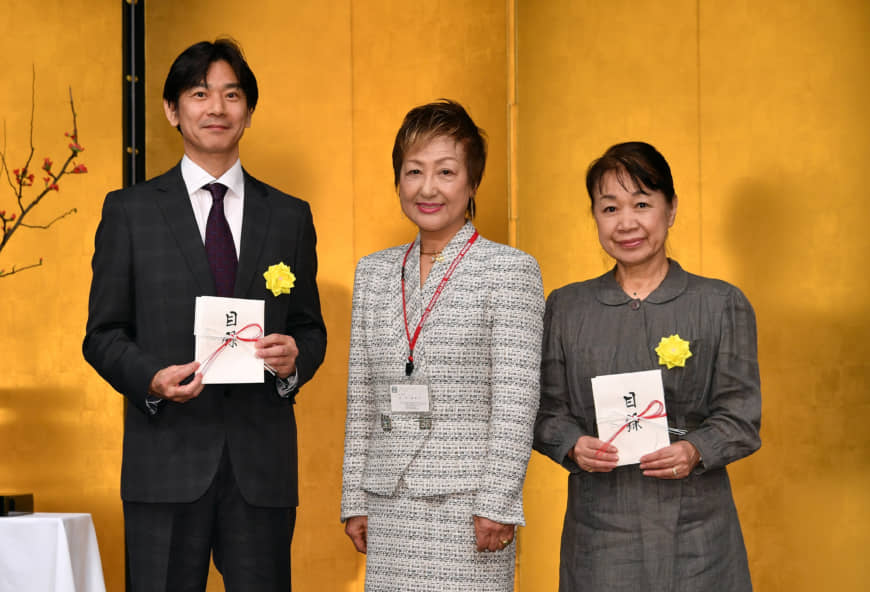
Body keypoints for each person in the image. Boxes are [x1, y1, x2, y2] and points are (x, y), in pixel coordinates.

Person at [83, 38, 326, 591]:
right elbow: (103, 334)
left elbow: (310, 328)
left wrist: (294, 360)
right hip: (164, 461)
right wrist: (149, 377)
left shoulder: (288, 216)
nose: (216, 108)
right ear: (173, 110)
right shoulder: (130, 212)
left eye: (231, 94)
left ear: (247, 111)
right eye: (199, 93)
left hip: (259, 468)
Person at [533, 141, 761, 591]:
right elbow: (543, 411)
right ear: (595, 217)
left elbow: (741, 417)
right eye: (610, 207)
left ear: (671, 209)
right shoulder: (566, 307)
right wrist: (574, 445)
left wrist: (695, 450)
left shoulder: (719, 304)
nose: (626, 222)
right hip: (600, 534)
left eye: (642, 203)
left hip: (698, 536)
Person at [340, 99, 544, 591]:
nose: (427, 188)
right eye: (413, 171)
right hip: (388, 503)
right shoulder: (374, 272)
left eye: (446, 171)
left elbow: (516, 400)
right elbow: (363, 394)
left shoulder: (510, 270)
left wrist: (497, 501)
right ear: (398, 181)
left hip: (469, 508)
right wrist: (355, 497)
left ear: (472, 183)